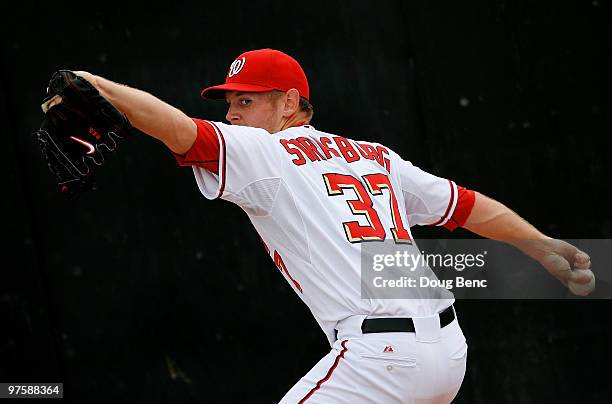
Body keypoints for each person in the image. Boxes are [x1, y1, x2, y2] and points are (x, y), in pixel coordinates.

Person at [73, 48, 593, 403]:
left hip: (380, 359)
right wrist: (541, 245)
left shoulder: (266, 151)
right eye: (231, 102)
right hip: (448, 351)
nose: (233, 113)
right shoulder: (373, 155)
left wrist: (97, 86)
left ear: (290, 103)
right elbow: (465, 205)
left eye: (247, 100)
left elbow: (181, 130)